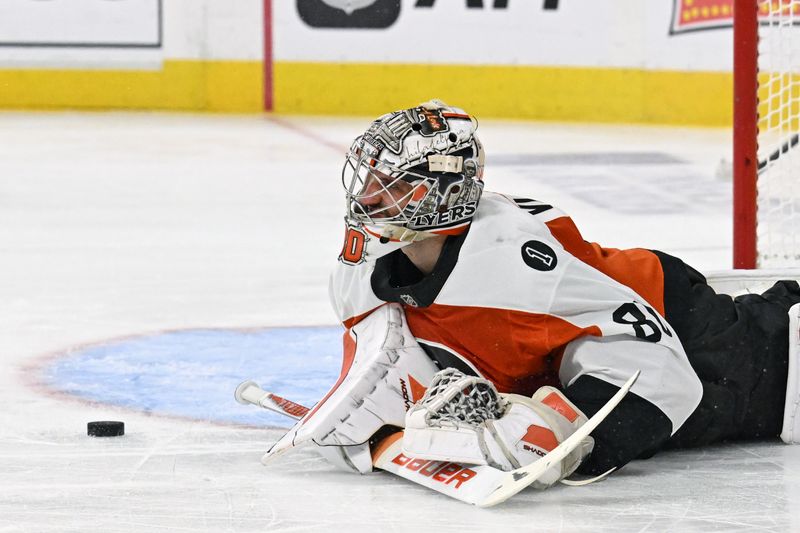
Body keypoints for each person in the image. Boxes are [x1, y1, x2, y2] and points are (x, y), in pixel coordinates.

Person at [265, 100, 800, 486]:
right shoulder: (367, 253)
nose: (369, 196)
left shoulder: (510, 262)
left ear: (445, 195)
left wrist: (566, 440)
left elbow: (665, 375)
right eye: (372, 178)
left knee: (777, 385)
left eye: (395, 184)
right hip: (585, 339)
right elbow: (389, 343)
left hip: (674, 323)